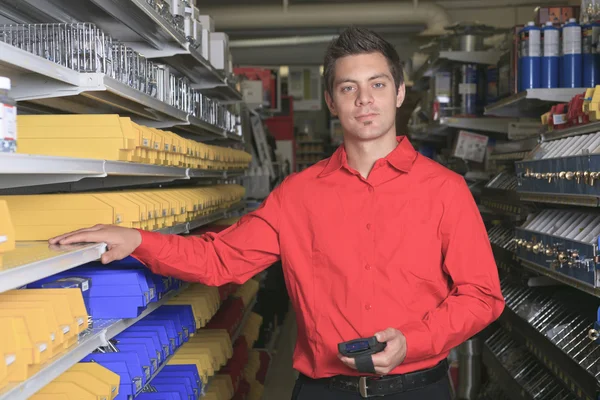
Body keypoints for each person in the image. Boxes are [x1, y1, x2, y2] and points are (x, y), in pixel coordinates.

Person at [50, 26, 504, 400]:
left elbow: (482, 295)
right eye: (349, 87)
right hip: (325, 391)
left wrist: (413, 341)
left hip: (419, 389)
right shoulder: (297, 196)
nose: (364, 99)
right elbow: (220, 259)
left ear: (400, 92)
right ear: (332, 101)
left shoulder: (444, 190)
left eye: (377, 84)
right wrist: (137, 240)